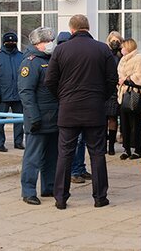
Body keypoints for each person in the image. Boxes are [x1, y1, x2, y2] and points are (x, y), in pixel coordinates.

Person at [46, 14, 118, 210]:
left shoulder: (61, 49)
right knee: (97, 154)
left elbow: (50, 80)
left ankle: (61, 198)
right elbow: (112, 79)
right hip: (95, 109)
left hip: (68, 109)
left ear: (72, 29)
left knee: (65, 154)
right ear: (88, 27)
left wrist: (63, 97)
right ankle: (100, 197)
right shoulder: (102, 49)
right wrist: (100, 97)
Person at [18, 27, 59, 205]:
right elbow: (26, 92)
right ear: (37, 43)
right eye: (47, 41)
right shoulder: (30, 62)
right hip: (38, 119)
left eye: (51, 41)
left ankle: (49, 187)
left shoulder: (51, 60)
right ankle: (28, 191)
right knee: (33, 158)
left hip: (54, 117)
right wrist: (34, 117)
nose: (50, 44)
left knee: (52, 156)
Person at [55, 31, 91, 185]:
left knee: (81, 141)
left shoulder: (70, 57)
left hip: (74, 104)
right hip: (67, 106)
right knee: (74, 142)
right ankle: (74, 171)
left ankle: (80, 168)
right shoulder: (59, 58)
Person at [0, 32, 24, 152]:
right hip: (2, 95)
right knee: (0, 121)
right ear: (4, 43)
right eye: (8, 42)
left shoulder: (21, 56)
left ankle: (18, 142)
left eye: (13, 42)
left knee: (19, 120)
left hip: (18, 94)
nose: (11, 43)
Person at [117, 38, 141, 160]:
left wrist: (127, 79)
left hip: (135, 93)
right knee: (124, 124)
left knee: (136, 123)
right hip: (123, 94)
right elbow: (119, 74)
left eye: (123, 47)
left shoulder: (138, 59)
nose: (121, 49)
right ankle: (126, 148)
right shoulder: (122, 60)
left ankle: (137, 149)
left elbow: (140, 76)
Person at [105, 31, 123, 155]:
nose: (115, 42)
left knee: (112, 118)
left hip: (115, 89)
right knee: (102, 119)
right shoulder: (104, 53)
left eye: (117, 40)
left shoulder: (121, 56)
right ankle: (103, 144)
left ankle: (111, 145)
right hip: (104, 88)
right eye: (113, 40)